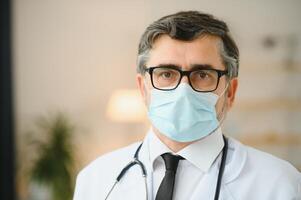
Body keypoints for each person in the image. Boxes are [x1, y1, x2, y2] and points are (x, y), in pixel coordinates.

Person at [73, 11, 301, 200]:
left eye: (202, 74)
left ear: (230, 92)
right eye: (166, 74)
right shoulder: (95, 180)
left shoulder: (279, 184)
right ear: (143, 89)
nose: (183, 89)